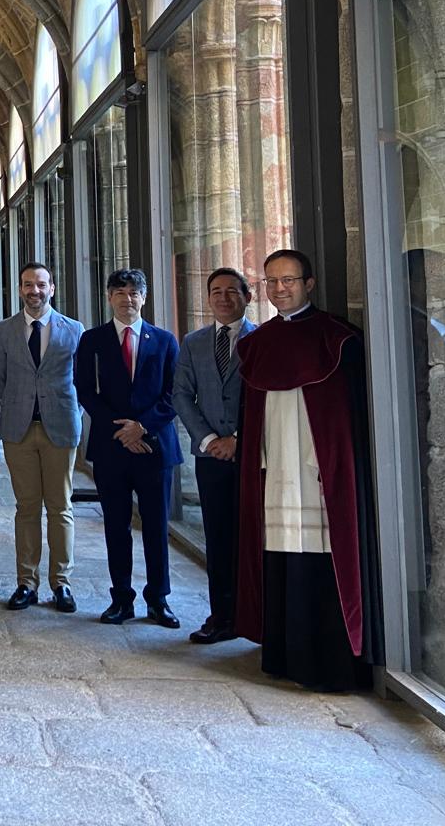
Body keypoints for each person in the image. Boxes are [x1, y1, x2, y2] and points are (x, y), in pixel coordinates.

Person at [235, 248, 376, 691]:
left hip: (319, 476)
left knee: (323, 559)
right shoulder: (257, 345)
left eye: (289, 281)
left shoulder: (336, 340)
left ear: (308, 284)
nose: (280, 289)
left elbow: (343, 421)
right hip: (276, 471)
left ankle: (331, 664)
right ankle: (283, 656)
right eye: (272, 282)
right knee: (280, 559)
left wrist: (328, 467)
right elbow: (252, 416)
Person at [76, 268, 182, 627]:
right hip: (111, 447)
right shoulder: (92, 340)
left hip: (155, 448)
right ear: (109, 298)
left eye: (134, 292)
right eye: (120, 293)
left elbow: (174, 393)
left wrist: (143, 428)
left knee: (156, 525)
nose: (127, 299)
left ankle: (159, 599)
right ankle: (121, 597)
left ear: (144, 297)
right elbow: (85, 390)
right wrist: (121, 431)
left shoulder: (165, 340)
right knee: (116, 526)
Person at [0, 262, 84, 612]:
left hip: (60, 427)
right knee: (26, 508)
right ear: (19, 289)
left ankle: (62, 583)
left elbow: (84, 380)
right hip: (19, 429)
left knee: (61, 508)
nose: (35, 290)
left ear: (52, 288)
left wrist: (74, 410)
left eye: (41, 284)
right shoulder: (3, 331)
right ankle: (26, 583)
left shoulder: (74, 329)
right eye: (28, 284)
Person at [171, 268, 255, 644]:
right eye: (215, 291)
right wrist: (207, 439)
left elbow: (265, 396)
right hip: (209, 456)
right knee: (218, 538)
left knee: (253, 537)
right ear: (208, 298)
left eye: (231, 291)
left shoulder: (262, 339)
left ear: (247, 296)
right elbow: (181, 395)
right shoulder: (193, 341)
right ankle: (221, 616)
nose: (223, 298)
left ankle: (254, 615)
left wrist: (237, 438)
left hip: (251, 453)